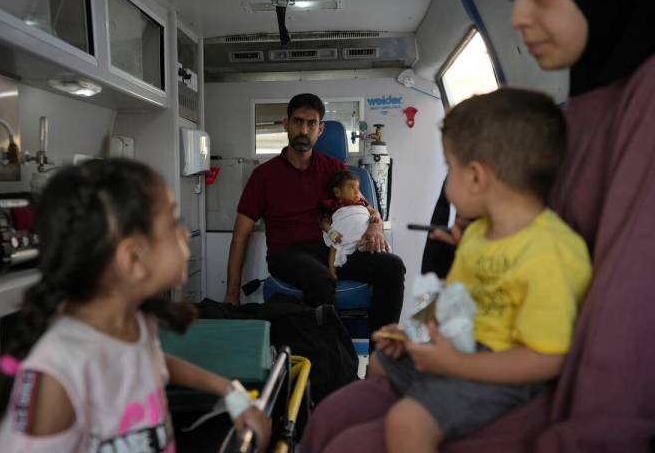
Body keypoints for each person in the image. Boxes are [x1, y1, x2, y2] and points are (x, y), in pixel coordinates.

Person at [300, 87, 593, 453]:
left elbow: (548, 359)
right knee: (376, 364)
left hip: (503, 372)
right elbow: (452, 298)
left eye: (449, 167)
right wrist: (415, 332)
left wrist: (454, 363)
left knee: (408, 422)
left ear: (476, 176)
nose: (446, 180)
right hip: (458, 346)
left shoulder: (550, 252)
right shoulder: (477, 237)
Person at [0, 159, 270, 453]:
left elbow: (152, 363)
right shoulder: (56, 376)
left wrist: (231, 392)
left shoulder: (134, 323)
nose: (185, 233)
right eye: (173, 221)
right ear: (133, 259)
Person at [225, 93, 405, 335]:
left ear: (320, 129)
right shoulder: (264, 176)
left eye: (311, 124)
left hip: (335, 250)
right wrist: (232, 293)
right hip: (288, 254)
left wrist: (375, 226)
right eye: (298, 121)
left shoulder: (335, 169)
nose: (304, 129)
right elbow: (240, 235)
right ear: (286, 125)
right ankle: (329, 364)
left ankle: (380, 360)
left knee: (393, 266)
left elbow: (367, 209)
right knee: (320, 278)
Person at [319, 170, 379, 279]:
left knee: (371, 244)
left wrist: (375, 216)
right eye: (351, 187)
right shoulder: (332, 205)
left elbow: (374, 212)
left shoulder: (362, 202)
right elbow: (323, 222)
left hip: (363, 234)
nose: (357, 192)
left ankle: (365, 248)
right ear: (337, 192)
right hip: (342, 235)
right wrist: (331, 232)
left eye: (357, 188)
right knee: (335, 247)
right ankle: (332, 272)